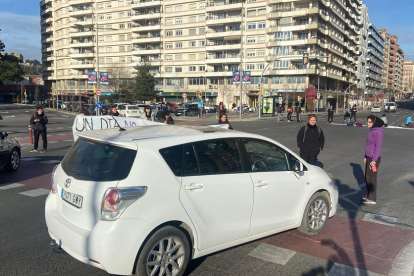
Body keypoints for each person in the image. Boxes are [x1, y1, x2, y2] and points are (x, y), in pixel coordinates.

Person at [362, 115, 384, 205]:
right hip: (369, 157)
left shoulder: (378, 132)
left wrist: (374, 160)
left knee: (372, 178)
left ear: (374, 123)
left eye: (370, 122)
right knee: (367, 177)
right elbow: (368, 145)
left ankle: (372, 198)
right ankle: (369, 196)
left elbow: (377, 147)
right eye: (367, 121)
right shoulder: (372, 130)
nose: (368, 123)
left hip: (374, 158)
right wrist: (365, 156)